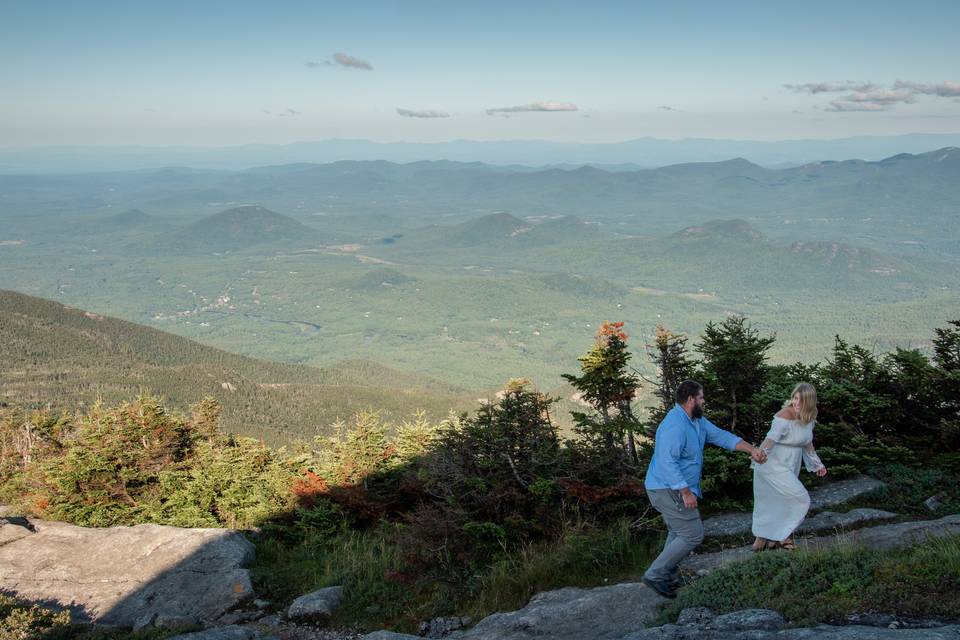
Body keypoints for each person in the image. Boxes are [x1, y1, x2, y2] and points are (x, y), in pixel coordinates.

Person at [642, 380, 767, 599]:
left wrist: (751, 449)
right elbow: (666, 462)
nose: (703, 401)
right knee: (692, 535)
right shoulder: (675, 425)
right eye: (701, 397)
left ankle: (668, 574)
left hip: (672, 488)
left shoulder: (696, 421)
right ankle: (655, 574)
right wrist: (685, 492)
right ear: (691, 400)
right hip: (666, 488)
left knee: (678, 532)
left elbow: (721, 437)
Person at [750, 382, 828, 552]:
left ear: (809, 402)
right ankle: (776, 536)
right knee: (799, 498)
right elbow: (771, 439)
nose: (795, 403)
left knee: (781, 500)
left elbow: (808, 443)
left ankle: (772, 538)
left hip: (792, 462)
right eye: (794, 398)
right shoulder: (784, 415)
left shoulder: (809, 417)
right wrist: (759, 455)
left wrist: (817, 464)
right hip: (772, 463)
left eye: (800, 400)